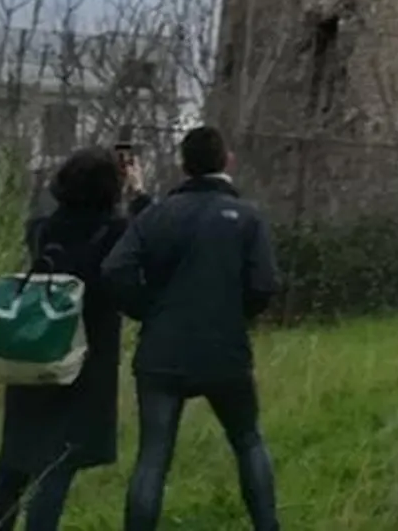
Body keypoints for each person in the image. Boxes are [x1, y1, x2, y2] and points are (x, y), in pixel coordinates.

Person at [103, 126, 281, 531]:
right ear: (227, 162)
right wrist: (234, 316)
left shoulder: (158, 215)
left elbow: (115, 269)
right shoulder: (247, 218)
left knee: (153, 457)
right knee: (248, 441)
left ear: (183, 166)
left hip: (162, 351)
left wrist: (149, 310)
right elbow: (265, 285)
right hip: (225, 350)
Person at [0, 147, 147, 531]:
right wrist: (138, 192)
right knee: (57, 467)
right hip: (83, 360)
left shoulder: (40, 228)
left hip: (32, 351)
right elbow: (145, 238)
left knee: (14, 463)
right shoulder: (115, 233)